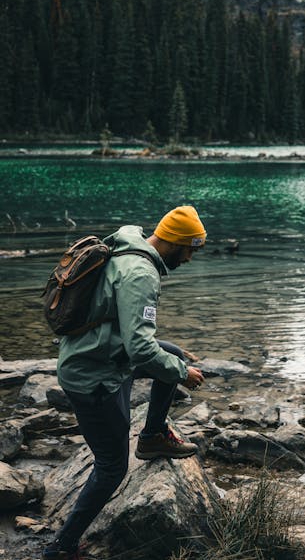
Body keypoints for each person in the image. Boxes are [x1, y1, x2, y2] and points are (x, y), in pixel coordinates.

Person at [42, 205, 207, 560]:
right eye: (191, 248)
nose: (191, 258)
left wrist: (173, 363)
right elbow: (142, 350)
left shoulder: (126, 244)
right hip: (93, 377)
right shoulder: (141, 274)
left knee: (173, 352)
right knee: (112, 467)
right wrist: (182, 374)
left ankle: (151, 437)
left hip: (96, 354)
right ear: (176, 242)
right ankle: (60, 547)